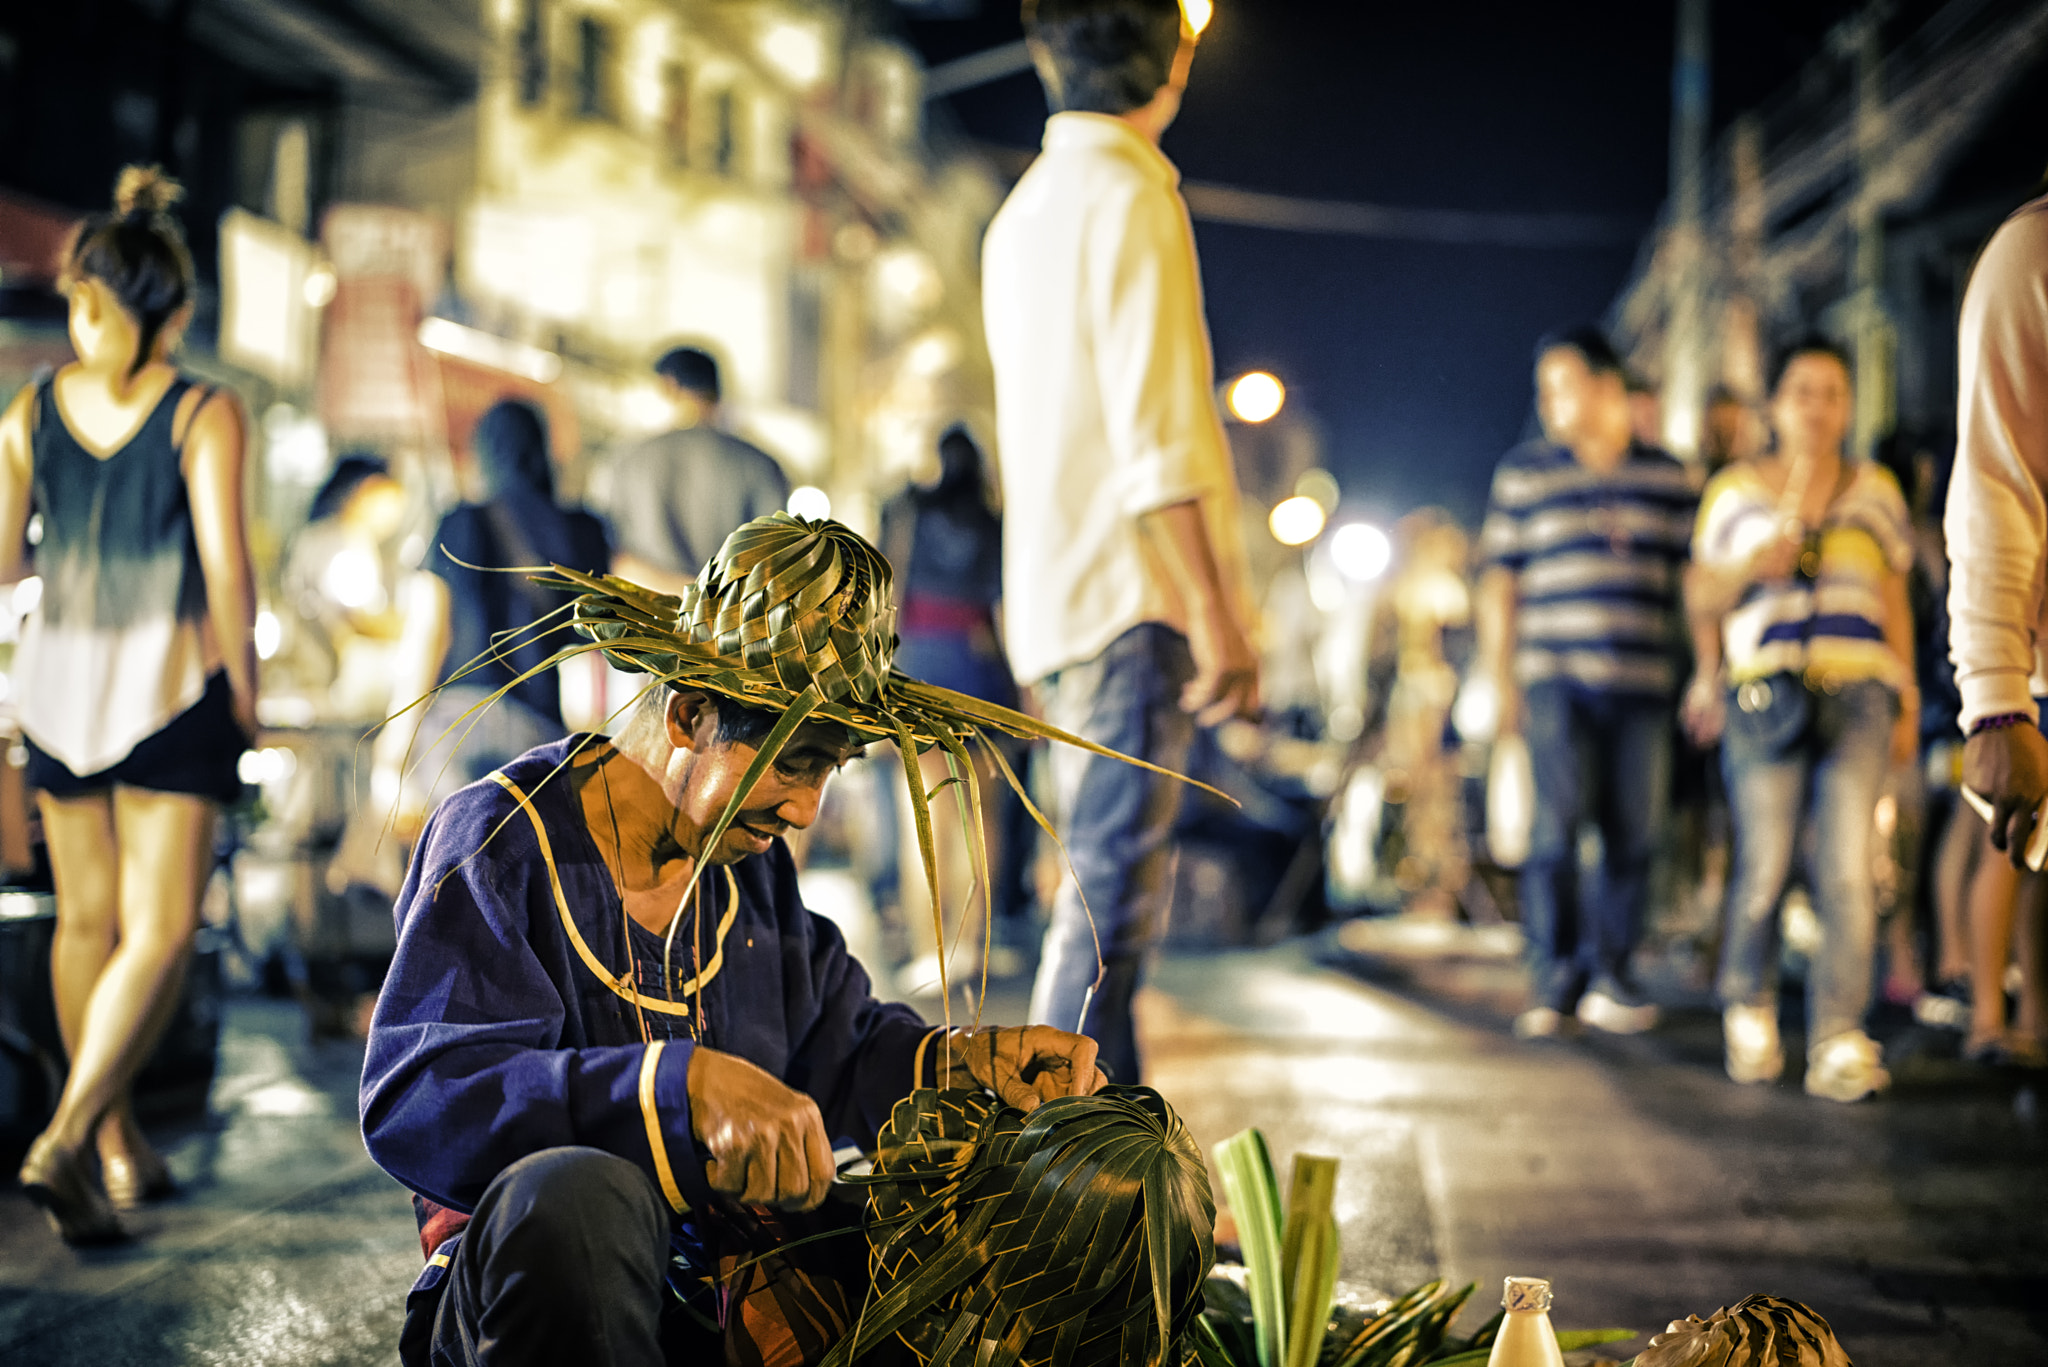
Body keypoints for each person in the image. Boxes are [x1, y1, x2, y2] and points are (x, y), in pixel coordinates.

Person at [361, 514, 1111, 1366]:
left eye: (828, 769)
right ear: (688, 715)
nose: (805, 810)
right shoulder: (501, 838)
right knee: (575, 1197)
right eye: (794, 763)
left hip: (741, 1301)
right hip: (542, 1304)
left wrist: (971, 1060)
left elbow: (843, 1045)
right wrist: (673, 1088)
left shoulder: (747, 866)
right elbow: (418, 1098)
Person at [982, 0, 1259, 1085]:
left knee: (1097, 907)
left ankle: (1114, 1182)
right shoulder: (1133, 198)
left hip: (1056, 602)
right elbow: (1157, 441)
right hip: (1129, 604)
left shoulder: (1023, 212)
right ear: (1172, 61)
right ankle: (1054, 1179)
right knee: (1104, 922)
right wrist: (1217, 614)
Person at [4, 167, 257, 1243]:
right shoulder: (204, 409)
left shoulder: (29, 411)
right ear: (182, 313)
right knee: (158, 928)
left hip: (58, 693)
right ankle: (70, 1134)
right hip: (168, 690)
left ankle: (115, 1143)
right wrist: (248, 694)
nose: (83, 319)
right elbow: (228, 571)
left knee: (88, 924)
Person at [1686, 337, 1916, 1102]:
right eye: (1803, 391)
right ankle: (1748, 1004)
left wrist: (1905, 690)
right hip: (1764, 692)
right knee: (1765, 863)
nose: (1818, 408)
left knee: (1849, 869)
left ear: (1848, 407)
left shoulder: (1875, 490)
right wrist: (1753, 568)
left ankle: (1838, 1033)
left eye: (1832, 394)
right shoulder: (1735, 491)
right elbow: (1700, 598)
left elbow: (1891, 597)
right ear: (1775, 405)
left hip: (1858, 692)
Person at [1478, 326, 1696, 1040]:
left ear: (1608, 387)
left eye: (1562, 386)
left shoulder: (1668, 475)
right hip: (1554, 680)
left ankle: (1614, 972)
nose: (1549, 403)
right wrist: (1498, 676)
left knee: (1635, 831)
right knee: (1555, 829)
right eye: (1544, 390)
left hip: (1644, 681)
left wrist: (1708, 672)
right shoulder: (1525, 474)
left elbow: (1691, 582)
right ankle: (1553, 977)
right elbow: (1500, 584)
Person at [367, 399, 610, 829]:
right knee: (521, 872)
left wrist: (396, 741)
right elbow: (599, 646)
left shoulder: (460, 522)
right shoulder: (580, 531)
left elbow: (429, 636)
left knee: (455, 862)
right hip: (539, 726)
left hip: (457, 725)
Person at [1944, 189, 2048, 1067]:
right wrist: (1996, 703)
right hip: (2035, 683)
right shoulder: (2034, 253)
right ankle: (1994, 1012)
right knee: (2006, 861)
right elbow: (1996, 489)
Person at [877, 425, 1021, 993]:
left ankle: (930, 949)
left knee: (926, 815)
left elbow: (884, 586)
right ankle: (973, 943)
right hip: (979, 668)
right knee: (981, 816)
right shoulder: (992, 522)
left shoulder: (906, 511)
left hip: (917, 666)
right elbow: (1001, 604)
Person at [595, 345, 790, 596]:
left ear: (668, 386)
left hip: (645, 620)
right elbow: (775, 561)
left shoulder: (627, 459)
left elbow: (613, 555)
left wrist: (681, 593)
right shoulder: (761, 465)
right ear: (716, 391)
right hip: (731, 624)